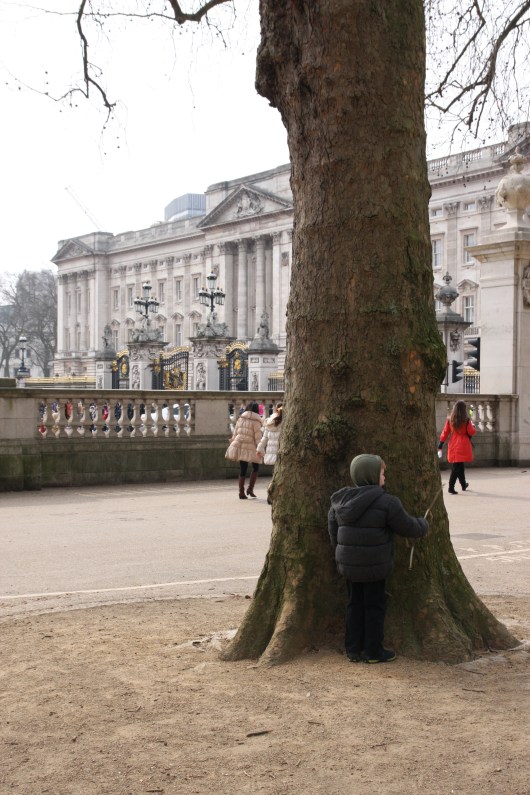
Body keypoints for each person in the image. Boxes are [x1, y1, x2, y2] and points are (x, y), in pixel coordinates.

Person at [328, 454, 428, 664]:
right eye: (382, 472)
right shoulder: (387, 502)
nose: (385, 477)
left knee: (354, 603)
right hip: (375, 566)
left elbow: (333, 531)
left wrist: (342, 553)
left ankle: (353, 649)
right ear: (373, 475)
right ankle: (373, 651)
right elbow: (406, 526)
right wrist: (423, 525)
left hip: (349, 565)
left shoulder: (340, 501)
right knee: (374, 605)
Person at [225, 401, 263, 499]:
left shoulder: (240, 419)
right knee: (256, 467)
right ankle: (250, 489)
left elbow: (235, 433)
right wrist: (260, 449)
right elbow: (258, 437)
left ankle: (241, 493)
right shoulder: (256, 421)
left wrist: (233, 442)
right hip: (251, 446)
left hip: (240, 445)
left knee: (243, 469)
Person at [438, 400, 476, 494]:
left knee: (459, 466)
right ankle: (451, 486)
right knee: (456, 467)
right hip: (463, 445)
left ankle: (463, 484)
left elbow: (445, 432)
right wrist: (473, 426)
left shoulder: (450, 419)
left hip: (453, 444)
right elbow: (471, 432)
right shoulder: (466, 420)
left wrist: (441, 444)